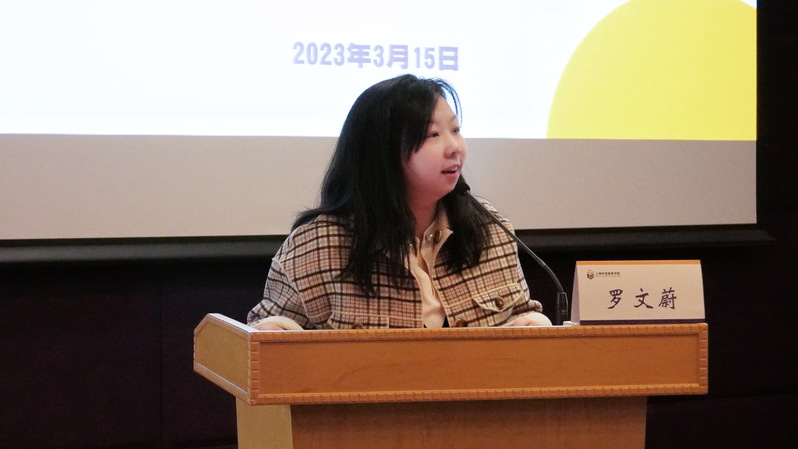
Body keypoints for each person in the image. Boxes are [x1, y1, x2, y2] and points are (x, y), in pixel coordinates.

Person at [247, 74, 551, 330]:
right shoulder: (317, 246)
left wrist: (531, 324)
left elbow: (521, 317)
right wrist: (273, 331)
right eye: (433, 134)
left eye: (456, 130)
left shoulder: (489, 229)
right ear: (382, 152)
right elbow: (263, 345)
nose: (455, 147)